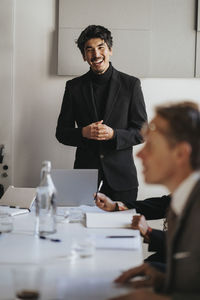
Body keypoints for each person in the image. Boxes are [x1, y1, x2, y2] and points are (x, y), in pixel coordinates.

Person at [109, 101, 200, 300]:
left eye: (151, 145)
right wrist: (165, 279)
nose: (140, 153)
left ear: (181, 153)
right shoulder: (184, 198)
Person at [56, 25, 147, 208]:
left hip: (122, 180)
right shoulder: (73, 87)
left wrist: (114, 135)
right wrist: (83, 132)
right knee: (80, 232)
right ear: (84, 56)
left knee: (122, 233)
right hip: (84, 180)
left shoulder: (131, 84)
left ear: (110, 50)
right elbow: (61, 133)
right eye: (89, 49)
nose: (96, 54)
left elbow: (142, 132)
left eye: (101, 47)